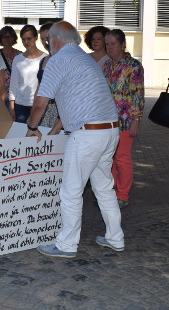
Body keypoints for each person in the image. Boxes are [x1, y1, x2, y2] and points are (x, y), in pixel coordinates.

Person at [26, 21, 124, 258]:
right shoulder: (85, 59)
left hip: (88, 134)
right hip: (110, 130)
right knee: (104, 188)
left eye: (48, 41)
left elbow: (41, 103)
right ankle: (115, 237)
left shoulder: (58, 60)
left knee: (70, 191)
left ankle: (66, 245)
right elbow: (72, 100)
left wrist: (31, 127)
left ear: (55, 40)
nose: (48, 45)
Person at [101, 29, 144, 208]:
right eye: (107, 44)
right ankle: (112, 191)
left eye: (113, 44)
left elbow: (138, 94)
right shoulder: (106, 66)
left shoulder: (133, 66)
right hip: (105, 120)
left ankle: (123, 195)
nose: (109, 48)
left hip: (125, 120)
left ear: (123, 44)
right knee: (107, 158)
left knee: (122, 158)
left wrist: (136, 120)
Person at [8, 25, 47, 123]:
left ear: (36, 38)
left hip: (39, 105)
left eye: (29, 39)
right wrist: (12, 108)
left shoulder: (46, 58)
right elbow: (13, 85)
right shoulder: (17, 59)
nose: (26, 42)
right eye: (23, 39)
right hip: (20, 106)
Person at [36, 22, 61, 130]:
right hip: (44, 109)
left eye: (48, 38)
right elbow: (39, 88)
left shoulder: (64, 59)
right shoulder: (43, 61)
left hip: (60, 111)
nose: (45, 42)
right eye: (42, 39)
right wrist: (34, 112)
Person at [0, 26, 22, 109]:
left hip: (15, 94)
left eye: (9, 37)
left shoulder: (20, 55)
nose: (7, 39)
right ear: (0, 39)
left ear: (13, 38)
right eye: (4, 37)